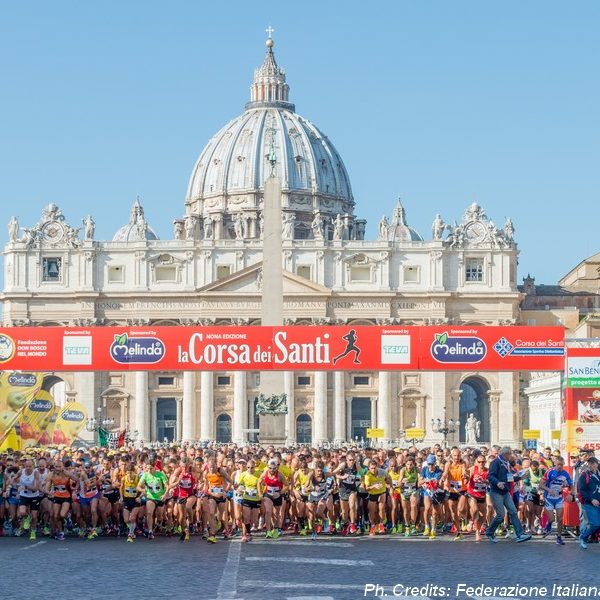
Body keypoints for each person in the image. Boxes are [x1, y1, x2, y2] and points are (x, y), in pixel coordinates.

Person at [485, 446, 531, 543]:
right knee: (501, 515)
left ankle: (520, 534)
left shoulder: (506, 463)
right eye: (509, 454)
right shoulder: (496, 462)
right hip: (496, 492)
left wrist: (520, 478)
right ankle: (489, 531)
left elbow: (509, 478)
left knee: (513, 511)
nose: (510, 457)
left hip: (505, 492)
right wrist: (498, 482)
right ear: (505, 454)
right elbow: (490, 476)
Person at [539, 455, 573, 545]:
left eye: (561, 465)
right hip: (549, 498)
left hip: (559, 498)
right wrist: (549, 490)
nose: (560, 466)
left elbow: (571, 485)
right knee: (551, 519)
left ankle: (559, 537)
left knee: (560, 519)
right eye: (558, 464)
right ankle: (549, 525)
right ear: (555, 463)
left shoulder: (565, 474)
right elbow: (541, 485)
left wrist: (570, 494)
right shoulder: (549, 472)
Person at [578, 456, 600, 549]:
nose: (591, 465)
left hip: (599, 502)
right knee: (595, 524)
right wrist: (591, 499)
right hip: (590, 503)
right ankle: (583, 537)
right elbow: (582, 490)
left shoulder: (599, 474)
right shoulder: (584, 475)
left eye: (593, 463)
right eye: (590, 463)